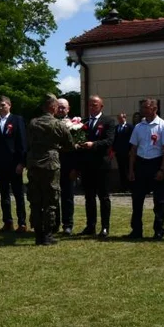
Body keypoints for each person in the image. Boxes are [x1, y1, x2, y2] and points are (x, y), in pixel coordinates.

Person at [27, 95, 77, 246]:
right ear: (53, 107)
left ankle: (38, 234)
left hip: (34, 163)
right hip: (51, 164)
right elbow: (70, 145)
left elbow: (29, 142)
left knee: (36, 199)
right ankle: (48, 235)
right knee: (50, 199)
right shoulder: (58, 124)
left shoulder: (33, 123)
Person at [126, 98, 164, 240]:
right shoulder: (139, 127)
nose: (142, 110)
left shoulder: (163, 126)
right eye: (142, 107)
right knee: (137, 200)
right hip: (141, 164)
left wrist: (162, 170)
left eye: (146, 107)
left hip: (156, 163)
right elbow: (133, 150)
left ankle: (159, 230)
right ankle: (136, 230)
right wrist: (131, 170)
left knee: (159, 201)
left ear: (154, 109)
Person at [0, 95, 28, 232]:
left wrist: (22, 162)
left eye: (3, 105)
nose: (0, 108)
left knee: (18, 194)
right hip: (0, 163)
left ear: (9, 105)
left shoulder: (17, 120)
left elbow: (22, 142)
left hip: (14, 163)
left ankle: (22, 223)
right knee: (4, 194)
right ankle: (7, 222)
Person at [75, 95, 115, 238]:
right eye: (90, 105)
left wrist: (94, 144)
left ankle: (105, 227)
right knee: (89, 197)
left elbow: (109, 141)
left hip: (101, 165)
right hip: (87, 165)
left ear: (101, 106)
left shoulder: (108, 121)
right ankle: (90, 225)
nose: (92, 107)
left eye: (95, 105)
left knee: (103, 197)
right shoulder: (83, 122)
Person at [55, 98, 76, 236]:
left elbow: (76, 149)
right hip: (53, 165)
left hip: (68, 165)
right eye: (59, 107)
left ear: (68, 109)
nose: (61, 109)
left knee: (68, 197)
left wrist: (75, 168)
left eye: (64, 107)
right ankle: (53, 223)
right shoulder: (50, 122)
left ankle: (67, 225)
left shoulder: (74, 125)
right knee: (53, 196)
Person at [112, 113, 133, 193]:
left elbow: (132, 140)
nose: (119, 120)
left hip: (128, 153)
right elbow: (114, 140)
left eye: (120, 118)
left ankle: (129, 186)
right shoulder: (116, 128)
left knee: (128, 169)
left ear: (124, 118)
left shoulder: (130, 127)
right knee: (121, 170)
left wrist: (131, 150)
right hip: (119, 153)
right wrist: (114, 150)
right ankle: (123, 186)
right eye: (118, 118)